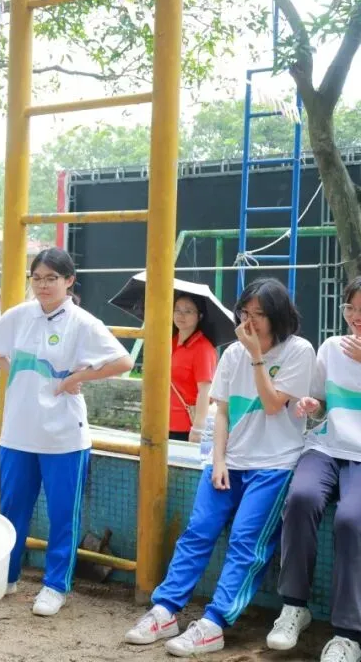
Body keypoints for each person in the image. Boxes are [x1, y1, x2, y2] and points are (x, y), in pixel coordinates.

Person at [124, 277, 314, 657]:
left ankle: (214, 622)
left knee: (246, 542)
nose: (251, 321)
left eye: (260, 314)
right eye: (245, 312)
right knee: (198, 532)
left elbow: (274, 404)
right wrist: (219, 460)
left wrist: (257, 355)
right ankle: (166, 610)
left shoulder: (299, 351)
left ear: (278, 316)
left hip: (274, 466)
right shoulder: (231, 354)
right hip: (231, 461)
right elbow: (222, 412)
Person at [0, 247, 133, 617]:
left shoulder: (82, 323)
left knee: (64, 514)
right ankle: (8, 576)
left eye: (52, 278)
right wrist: (14, 370)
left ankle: (55, 586)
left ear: (69, 281)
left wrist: (79, 377)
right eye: (37, 278)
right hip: (17, 432)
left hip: (64, 437)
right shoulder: (19, 315)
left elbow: (124, 361)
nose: (43, 285)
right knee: (12, 509)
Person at [266, 276, 361, 662]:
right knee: (301, 498)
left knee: (351, 522)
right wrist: (311, 406)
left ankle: (347, 633)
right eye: (351, 308)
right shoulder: (331, 347)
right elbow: (320, 401)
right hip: (325, 446)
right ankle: (294, 607)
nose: (356, 317)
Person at [170, 293, 218, 442]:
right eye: (177, 309)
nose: (180, 315)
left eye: (188, 311)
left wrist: (198, 429)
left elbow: (205, 391)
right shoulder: (168, 341)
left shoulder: (203, 348)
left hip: (185, 426)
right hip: (160, 420)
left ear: (200, 316)